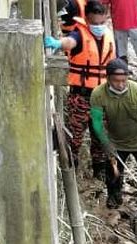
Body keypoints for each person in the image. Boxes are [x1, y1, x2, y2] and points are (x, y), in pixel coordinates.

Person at [45, 1, 115, 178]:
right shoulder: (80, 34)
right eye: (95, 23)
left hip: (102, 97)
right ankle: (70, 169)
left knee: (100, 135)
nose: (98, 27)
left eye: (102, 23)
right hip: (81, 97)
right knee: (74, 135)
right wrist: (57, 43)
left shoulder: (108, 36)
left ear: (106, 19)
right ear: (87, 20)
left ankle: (98, 170)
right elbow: (70, 42)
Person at [90, 58, 137, 209]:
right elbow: (97, 122)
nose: (120, 85)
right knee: (113, 174)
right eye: (116, 81)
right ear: (108, 79)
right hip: (116, 142)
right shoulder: (98, 94)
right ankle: (114, 197)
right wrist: (105, 142)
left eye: (124, 80)